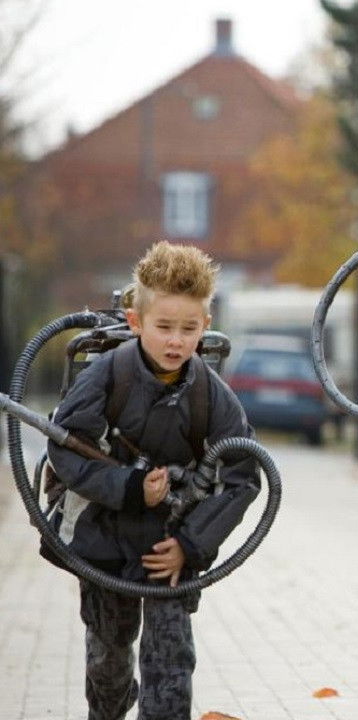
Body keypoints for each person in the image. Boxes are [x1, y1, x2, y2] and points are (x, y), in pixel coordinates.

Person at [46, 241, 259, 720]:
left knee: (171, 663)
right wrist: (128, 488)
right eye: (164, 327)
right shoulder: (106, 377)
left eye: (188, 329)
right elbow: (65, 450)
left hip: (171, 550)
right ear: (136, 321)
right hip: (105, 539)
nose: (176, 342)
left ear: (205, 325)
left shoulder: (211, 394)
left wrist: (191, 544)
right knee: (108, 659)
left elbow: (243, 476)